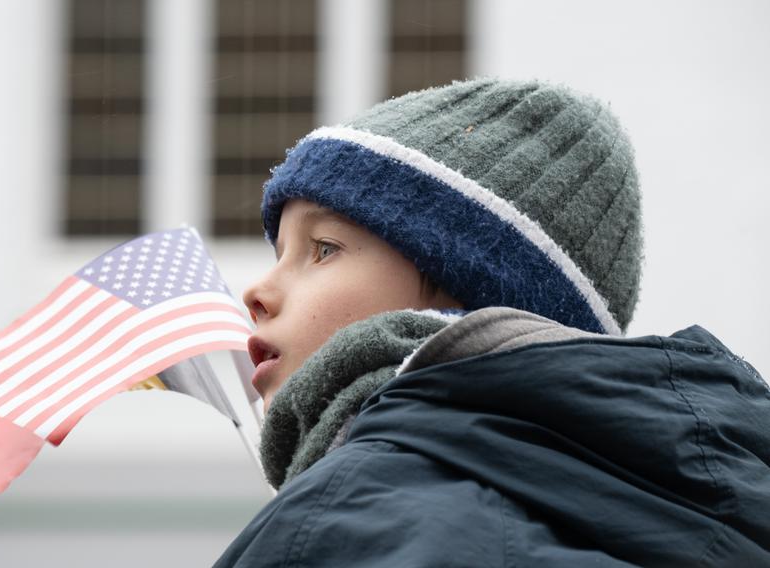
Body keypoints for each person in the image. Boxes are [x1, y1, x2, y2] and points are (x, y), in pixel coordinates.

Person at [213, 78, 770, 566]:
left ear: (465, 292)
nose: (256, 292)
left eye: (323, 248)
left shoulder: (354, 515)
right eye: (277, 253)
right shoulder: (694, 515)